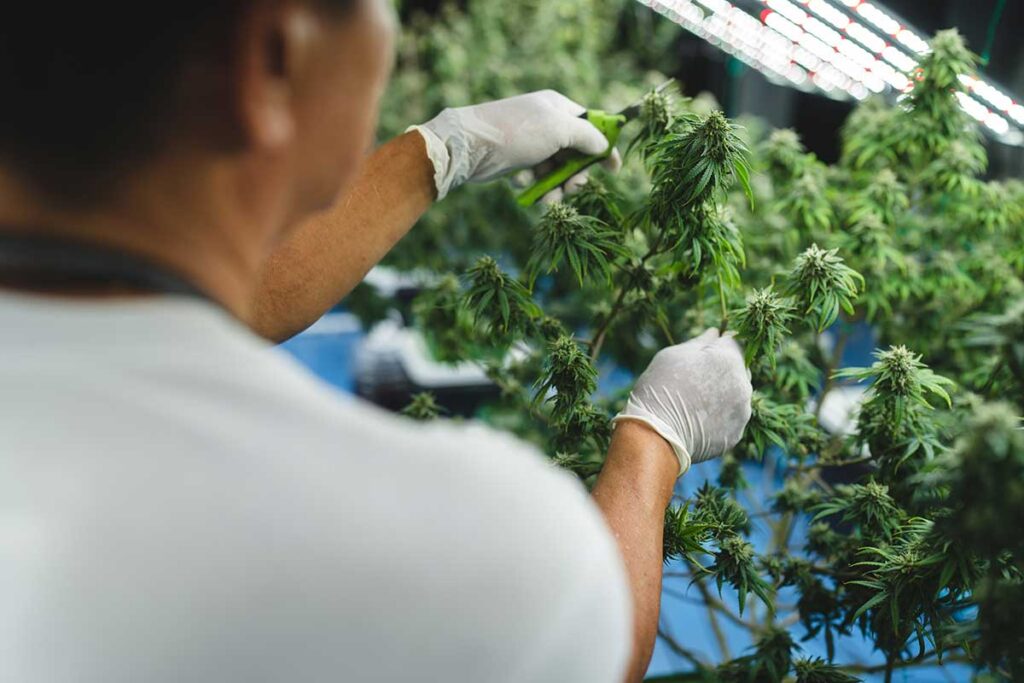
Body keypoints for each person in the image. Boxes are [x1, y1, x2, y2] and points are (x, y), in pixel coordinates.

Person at [0, 2, 753, 682]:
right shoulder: (439, 534)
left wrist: (447, 149)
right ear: (271, 55)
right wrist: (653, 442)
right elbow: (597, 641)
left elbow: (229, 291)